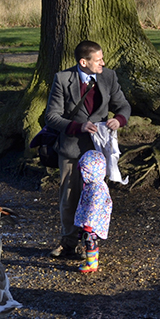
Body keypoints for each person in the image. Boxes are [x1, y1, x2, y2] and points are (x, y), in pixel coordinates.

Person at [44, 40, 130, 259]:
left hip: (98, 152)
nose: (103, 62)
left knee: (94, 199)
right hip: (71, 149)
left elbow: (123, 105)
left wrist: (119, 120)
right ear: (83, 62)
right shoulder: (62, 79)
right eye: (98, 59)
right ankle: (68, 243)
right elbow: (52, 117)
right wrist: (77, 126)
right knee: (69, 199)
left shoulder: (108, 76)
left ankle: (89, 245)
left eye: (102, 58)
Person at [73, 150, 111, 273]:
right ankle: (93, 260)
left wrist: (88, 224)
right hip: (92, 221)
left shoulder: (96, 189)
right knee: (91, 240)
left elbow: (93, 208)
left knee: (89, 239)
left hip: (93, 222)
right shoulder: (93, 185)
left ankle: (91, 264)